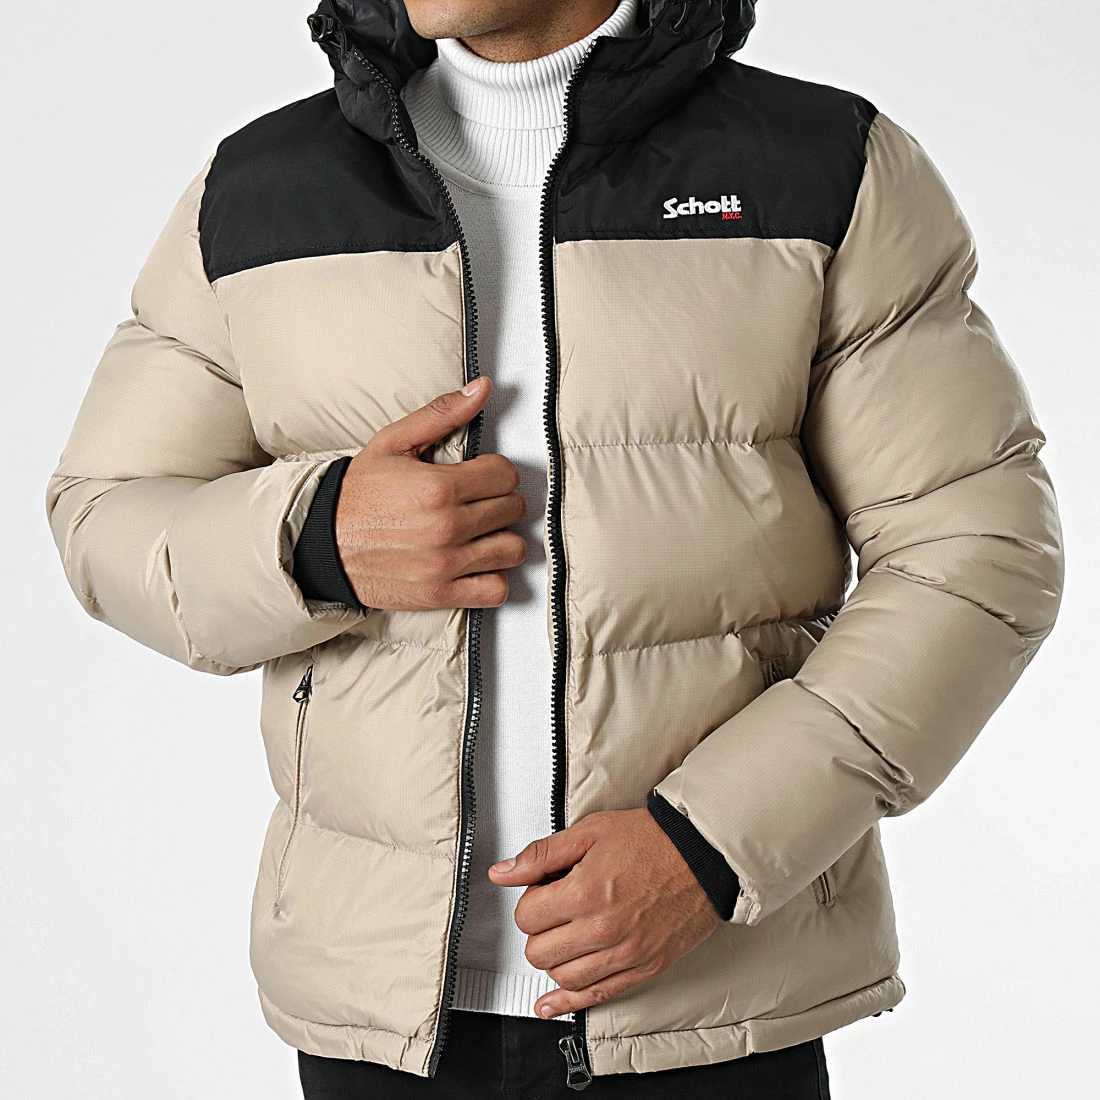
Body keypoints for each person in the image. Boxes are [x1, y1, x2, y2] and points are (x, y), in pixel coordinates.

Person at [44, 1, 1065, 1097]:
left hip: (709, 1001)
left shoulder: (823, 169)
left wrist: (709, 847)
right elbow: (105, 513)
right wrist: (316, 538)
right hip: (378, 1023)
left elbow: (976, 549)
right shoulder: (260, 191)